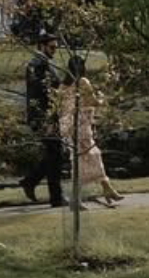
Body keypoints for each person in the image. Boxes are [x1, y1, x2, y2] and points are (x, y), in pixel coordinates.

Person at [57, 56, 124, 206]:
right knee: (90, 157)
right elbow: (92, 101)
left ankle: (106, 188)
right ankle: (90, 193)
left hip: (68, 126)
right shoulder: (82, 82)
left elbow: (61, 107)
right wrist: (101, 98)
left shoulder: (63, 85)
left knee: (83, 159)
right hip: (81, 125)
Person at [20, 32, 66, 207]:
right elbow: (40, 92)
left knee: (55, 154)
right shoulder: (38, 64)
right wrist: (46, 119)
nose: (55, 50)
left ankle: (31, 181)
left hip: (47, 115)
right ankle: (55, 197)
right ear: (41, 46)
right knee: (55, 154)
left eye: (56, 47)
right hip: (43, 116)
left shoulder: (41, 63)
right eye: (52, 47)